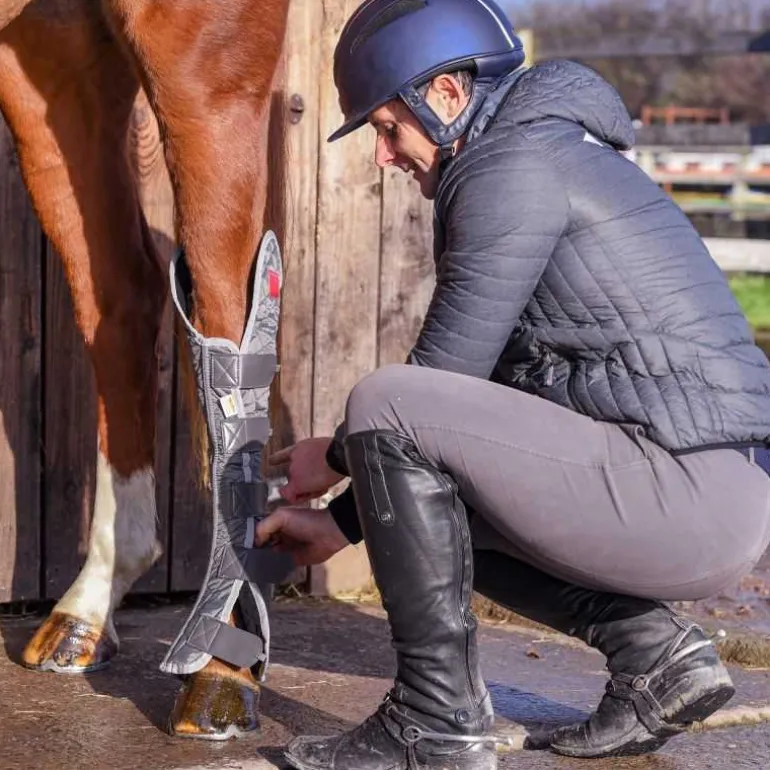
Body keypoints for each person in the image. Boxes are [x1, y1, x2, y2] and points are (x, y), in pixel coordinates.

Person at [256, 1, 770, 768]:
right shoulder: (537, 155)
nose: (383, 156)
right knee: (439, 485)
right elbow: (467, 436)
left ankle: (433, 724)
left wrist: (333, 460)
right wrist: (347, 524)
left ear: (448, 96)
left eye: (389, 128)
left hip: (685, 490)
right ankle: (654, 657)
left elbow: (438, 380)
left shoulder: (509, 167)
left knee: (385, 399)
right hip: (703, 493)